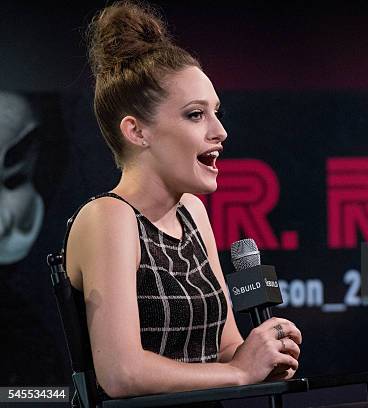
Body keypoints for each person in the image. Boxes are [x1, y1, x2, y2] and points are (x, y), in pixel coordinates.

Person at [62, 0, 301, 399]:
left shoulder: (192, 212)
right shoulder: (108, 218)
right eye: (195, 115)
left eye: (216, 112)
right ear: (137, 132)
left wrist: (260, 355)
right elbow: (121, 374)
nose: (220, 131)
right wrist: (241, 372)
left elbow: (224, 350)